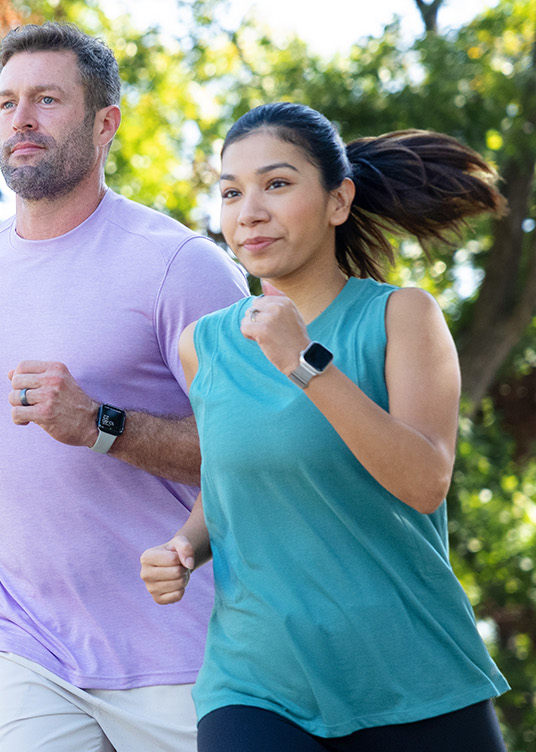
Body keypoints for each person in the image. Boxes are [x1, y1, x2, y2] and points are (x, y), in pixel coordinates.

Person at [139, 101, 510, 751]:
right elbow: (230, 483)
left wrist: (305, 362)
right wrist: (185, 547)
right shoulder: (202, 345)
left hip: (414, 680)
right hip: (255, 686)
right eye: (232, 192)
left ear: (339, 201)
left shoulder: (403, 318)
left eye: (277, 184)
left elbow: (425, 481)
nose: (250, 211)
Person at [0, 22, 248, 751]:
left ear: (106, 124)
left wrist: (101, 424)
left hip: (180, 646)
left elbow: (252, 449)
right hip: (24, 644)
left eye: (47, 99)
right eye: (7, 102)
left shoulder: (181, 268)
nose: (21, 119)